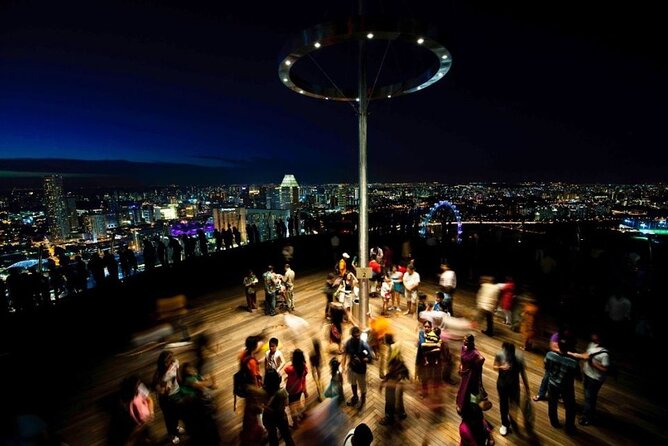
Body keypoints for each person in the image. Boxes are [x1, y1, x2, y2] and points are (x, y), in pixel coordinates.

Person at [569, 331, 610, 426]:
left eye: (595, 334)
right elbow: (586, 355)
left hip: (595, 378)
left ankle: (587, 418)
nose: (592, 335)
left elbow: (605, 368)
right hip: (587, 374)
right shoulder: (592, 344)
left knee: (589, 397)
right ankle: (589, 413)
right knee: (589, 396)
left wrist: (594, 364)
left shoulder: (605, 354)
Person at [493, 342, 530, 437]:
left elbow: (523, 373)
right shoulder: (500, 354)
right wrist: (501, 367)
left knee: (514, 405)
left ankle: (512, 421)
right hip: (502, 385)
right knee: (503, 405)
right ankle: (504, 424)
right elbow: (494, 366)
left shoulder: (519, 357)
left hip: (514, 385)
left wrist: (527, 388)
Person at [544, 337, 579, 435]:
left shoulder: (550, 355)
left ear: (559, 345)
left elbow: (546, 367)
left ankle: (554, 422)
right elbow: (577, 376)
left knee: (552, 403)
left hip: (552, 383)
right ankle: (569, 427)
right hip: (566, 386)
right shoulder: (573, 362)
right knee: (570, 407)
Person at [152, 351, 185, 445]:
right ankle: (172, 434)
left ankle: (176, 427)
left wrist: (181, 385)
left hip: (177, 393)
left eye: (171, 360)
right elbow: (156, 387)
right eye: (167, 362)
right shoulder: (159, 374)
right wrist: (163, 390)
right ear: (162, 363)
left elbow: (178, 377)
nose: (170, 363)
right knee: (169, 417)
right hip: (166, 399)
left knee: (177, 413)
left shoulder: (175, 362)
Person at [341, 326, 374, 409]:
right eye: (356, 336)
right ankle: (355, 397)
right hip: (351, 368)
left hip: (361, 370)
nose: (358, 337)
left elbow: (370, 357)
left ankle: (363, 402)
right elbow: (345, 354)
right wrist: (343, 366)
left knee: (362, 387)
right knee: (353, 383)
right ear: (352, 336)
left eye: (359, 335)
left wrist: (364, 360)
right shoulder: (348, 343)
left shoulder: (364, 345)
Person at [379, 333, 408, 425]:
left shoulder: (392, 349)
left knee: (389, 398)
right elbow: (401, 361)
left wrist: (384, 381)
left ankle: (389, 417)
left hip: (394, 377)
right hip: (400, 376)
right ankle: (401, 413)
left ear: (386, 340)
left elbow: (393, 368)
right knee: (399, 397)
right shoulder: (397, 346)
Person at [262, 368, 295, 446]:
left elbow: (261, 404)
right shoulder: (283, 392)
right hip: (280, 416)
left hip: (268, 418)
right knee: (287, 437)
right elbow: (286, 403)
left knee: (272, 438)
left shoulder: (262, 392)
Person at [456, 334, 485, 414]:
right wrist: (460, 367)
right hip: (464, 373)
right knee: (462, 389)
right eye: (464, 339)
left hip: (470, 375)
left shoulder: (475, 353)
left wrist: (472, 367)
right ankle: (463, 405)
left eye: (466, 340)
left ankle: (472, 407)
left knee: (469, 390)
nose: (464, 341)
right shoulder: (463, 348)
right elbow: (461, 359)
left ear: (471, 342)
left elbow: (482, 359)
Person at [284, 349, 309, 428]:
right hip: (299, 389)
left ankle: (295, 424)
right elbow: (305, 374)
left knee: (292, 407)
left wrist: (292, 362)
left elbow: (286, 369)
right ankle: (303, 414)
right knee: (297, 402)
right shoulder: (304, 367)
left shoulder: (291, 369)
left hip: (292, 391)